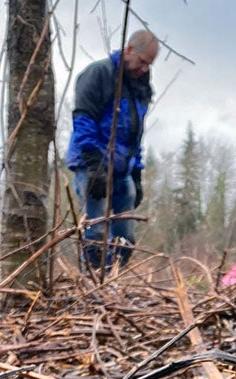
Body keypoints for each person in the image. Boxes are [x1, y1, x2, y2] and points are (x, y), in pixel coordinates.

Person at [66, 30, 158, 268]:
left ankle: (112, 281)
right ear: (129, 50)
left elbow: (135, 135)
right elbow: (83, 119)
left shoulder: (140, 88)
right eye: (142, 62)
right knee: (94, 232)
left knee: (125, 238)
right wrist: (94, 164)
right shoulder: (99, 74)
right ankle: (91, 284)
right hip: (91, 165)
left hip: (122, 171)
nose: (144, 69)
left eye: (149, 65)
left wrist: (137, 174)